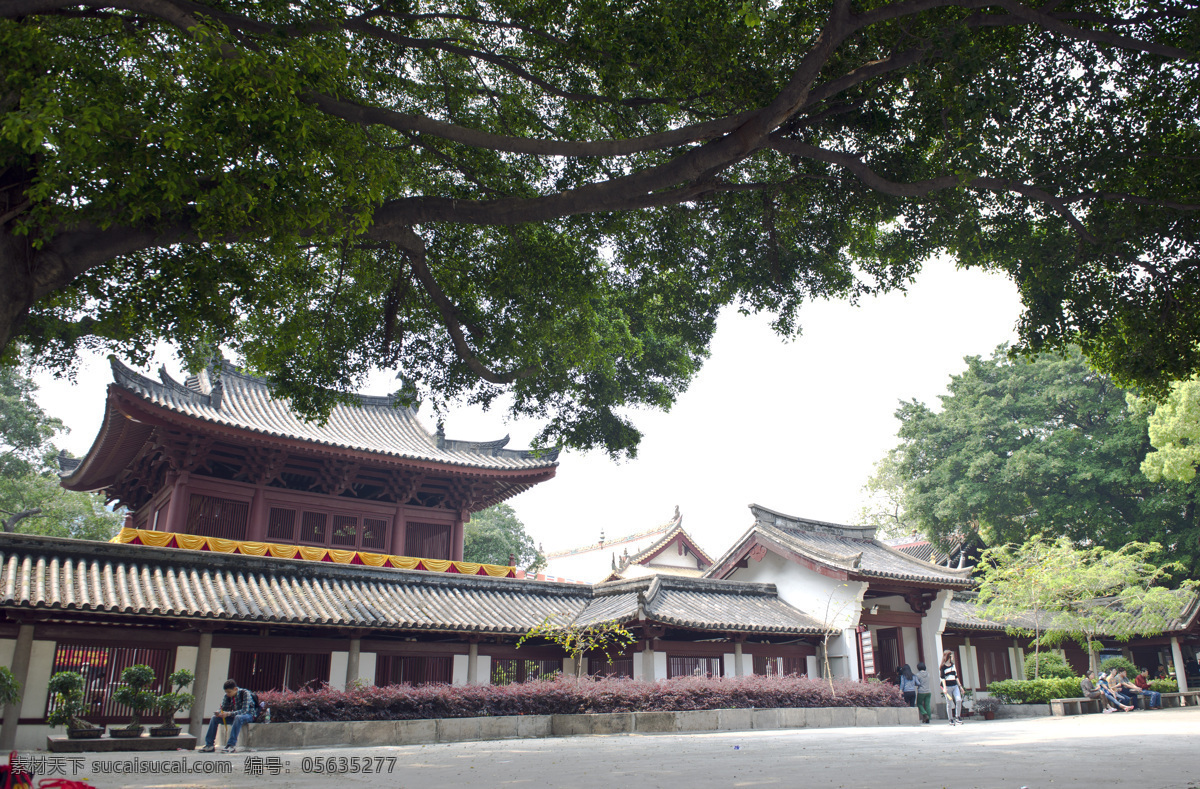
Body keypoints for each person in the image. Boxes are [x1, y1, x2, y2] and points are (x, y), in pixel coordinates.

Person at [199, 679, 257, 753]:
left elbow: (244, 711)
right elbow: (223, 708)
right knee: (214, 718)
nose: (228, 694)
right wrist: (219, 713)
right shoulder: (227, 696)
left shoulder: (245, 693)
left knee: (238, 717)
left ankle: (231, 745)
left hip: (248, 716)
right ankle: (209, 745)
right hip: (235, 717)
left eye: (229, 692)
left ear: (235, 689)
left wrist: (228, 713)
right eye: (226, 692)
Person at [939, 650, 963, 725]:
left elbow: (956, 676)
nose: (952, 657)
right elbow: (942, 678)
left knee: (958, 700)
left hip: (955, 685)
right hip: (948, 686)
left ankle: (957, 716)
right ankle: (950, 719)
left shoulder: (953, 665)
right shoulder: (942, 667)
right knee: (949, 703)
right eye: (951, 655)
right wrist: (945, 688)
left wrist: (960, 686)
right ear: (948, 656)